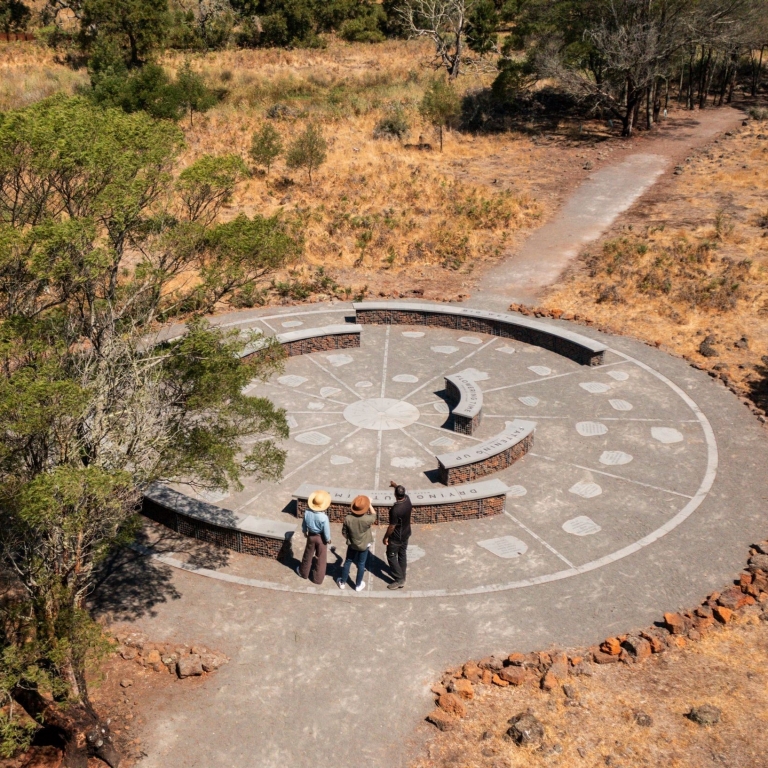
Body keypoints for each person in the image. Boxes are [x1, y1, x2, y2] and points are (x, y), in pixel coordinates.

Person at [338, 495, 376, 592]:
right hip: (364, 545)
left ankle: (343, 582)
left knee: (348, 562)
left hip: (352, 544)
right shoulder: (367, 519)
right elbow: (374, 514)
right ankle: (358, 585)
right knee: (361, 564)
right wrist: (370, 504)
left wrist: (350, 538)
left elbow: (343, 532)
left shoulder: (348, 518)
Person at [297, 490, 332, 585]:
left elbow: (304, 525)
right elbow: (326, 531)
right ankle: (318, 579)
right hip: (321, 538)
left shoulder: (307, 513)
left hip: (311, 536)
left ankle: (303, 572)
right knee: (321, 558)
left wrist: (305, 532)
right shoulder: (324, 517)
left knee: (307, 554)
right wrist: (328, 539)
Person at [383, 480, 412, 590]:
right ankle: (402, 575)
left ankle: (399, 579)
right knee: (402, 553)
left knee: (391, 556)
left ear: (395, 495)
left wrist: (385, 537)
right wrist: (395, 486)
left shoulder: (395, 510)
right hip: (406, 533)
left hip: (396, 537)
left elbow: (392, 526)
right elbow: (401, 490)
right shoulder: (408, 500)